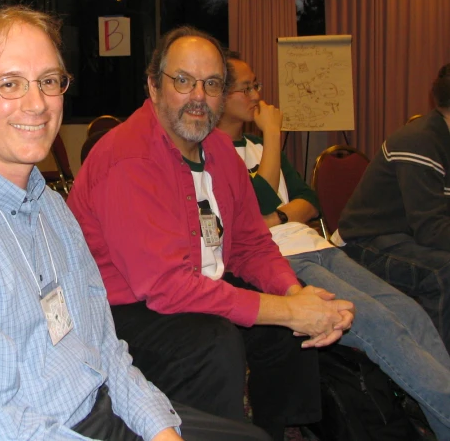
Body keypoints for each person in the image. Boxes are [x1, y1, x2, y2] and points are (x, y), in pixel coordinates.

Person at [0, 5, 269, 441]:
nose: (37, 103)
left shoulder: (49, 206)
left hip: (92, 408)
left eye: (48, 81)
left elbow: (106, 350)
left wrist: (158, 430)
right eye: (9, 83)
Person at [67, 26, 354, 440]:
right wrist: (287, 310)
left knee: (282, 326)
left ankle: (277, 430)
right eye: (183, 81)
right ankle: (217, 433)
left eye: (212, 84)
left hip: (193, 284)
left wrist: (292, 295)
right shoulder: (128, 158)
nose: (198, 96)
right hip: (119, 310)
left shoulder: (219, 149)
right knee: (213, 343)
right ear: (153, 86)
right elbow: (167, 287)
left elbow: (253, 244)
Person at [217, 53, 450, 440]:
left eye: (257, 84)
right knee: (378, 323)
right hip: (276, 259)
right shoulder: (216, 152)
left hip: (315, 244)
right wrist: (274, 140)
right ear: (221, 96)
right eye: (248, 87)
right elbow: (253, 205)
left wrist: (277, 214)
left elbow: (310, 199)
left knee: (408, 313)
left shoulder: (258, 148)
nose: (259, 95)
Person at [336, 63, 450, 353]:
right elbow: (432, 229)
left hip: (408, 238)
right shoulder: (420, 141)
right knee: (443, 273)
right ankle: (436, 379)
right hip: (367, 242)